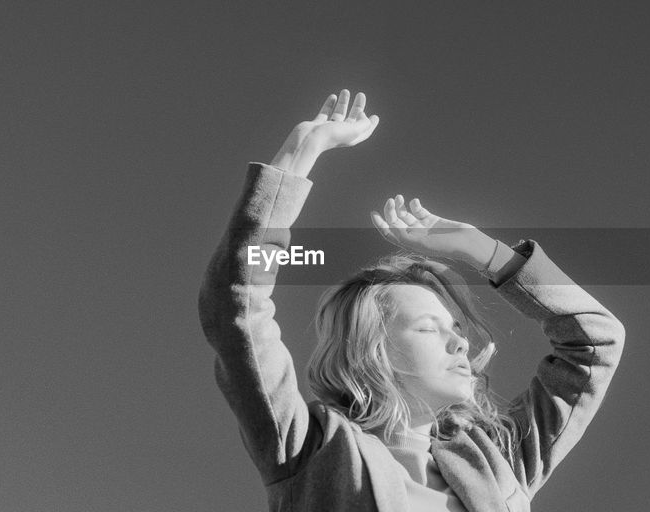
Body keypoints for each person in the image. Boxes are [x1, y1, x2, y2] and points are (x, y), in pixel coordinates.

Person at [200, 90, 625, 511]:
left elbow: (595, 341)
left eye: (457, 329)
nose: (461, 344)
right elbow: (237, 310)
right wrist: (299, 153)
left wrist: (481, 249)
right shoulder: (311, 448)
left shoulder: (500, 465)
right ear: (371, 351)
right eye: (428, 327)